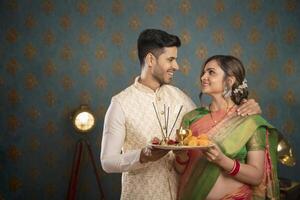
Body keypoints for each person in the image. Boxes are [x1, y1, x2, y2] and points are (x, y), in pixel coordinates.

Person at [100, 29, 261, 200]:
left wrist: (247, 106)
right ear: (150, 60)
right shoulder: (121, 104)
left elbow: (212, 120)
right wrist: (142, 156)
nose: (176, 66)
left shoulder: (180, 98)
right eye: (170, 60)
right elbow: (107, 162)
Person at [175, 55, 279, 200]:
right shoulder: (191, 118)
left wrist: (222, 160)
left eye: (211, 72)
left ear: (229, 81)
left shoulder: (249, 121)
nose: (203, 77)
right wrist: (180, 156)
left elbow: (256, 176)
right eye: (203, 72)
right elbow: (179, 169)